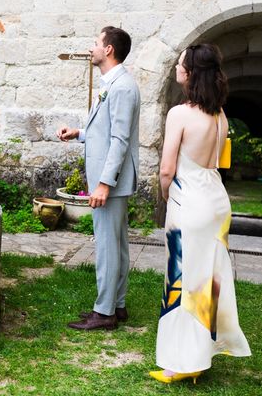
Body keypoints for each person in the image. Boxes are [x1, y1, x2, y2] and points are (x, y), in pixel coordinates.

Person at [150, 43, 251, 383]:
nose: (177, 68)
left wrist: (168, 196)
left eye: (180, 64)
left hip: (188, 201)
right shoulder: (220, 114)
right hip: (217, 201)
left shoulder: (180, 113)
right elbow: (218, 162)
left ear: (190, 73)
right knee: (207, 280)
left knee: (181, 280)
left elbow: (167, 170)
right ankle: (201, 354)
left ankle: (182, 362)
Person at [57, 26, 140, 330]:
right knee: (116, 246)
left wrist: (104, 183)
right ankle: (116, 306)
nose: (91, 48)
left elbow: (119, 139)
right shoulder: (113, 84)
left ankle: (104, 312)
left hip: (111, 183)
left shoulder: (122, 87)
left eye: (95, 43)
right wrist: (79, 133)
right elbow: (104, 131)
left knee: (107, 246)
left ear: (108, 50)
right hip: (110, 180)